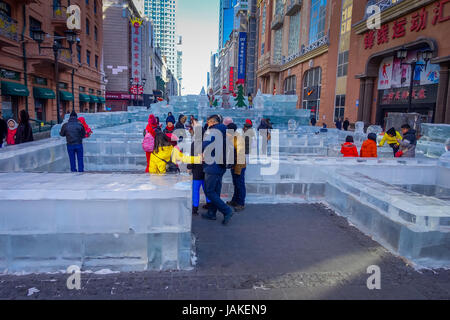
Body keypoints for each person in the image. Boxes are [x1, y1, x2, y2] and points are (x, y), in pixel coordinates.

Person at [201, 114, 234, 225]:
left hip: (212, 166)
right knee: (215, 191)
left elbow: (203, 145)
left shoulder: (212, 132)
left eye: (208, 122)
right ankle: (212, 213)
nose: (207, 124)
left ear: (213, 122)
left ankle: (227, 210)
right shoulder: (224, 131)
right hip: (220, 165)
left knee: (209, 191)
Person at [187, 120, 210, 215]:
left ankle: (195, 208)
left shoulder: (194, 144)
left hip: (197, 169)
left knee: (195, 189)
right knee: (207, 188)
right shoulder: (208, 143)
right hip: (207, 168)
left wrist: (189, 167)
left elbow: (192, 157)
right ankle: (209, 204)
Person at [226, 123, 246, 212]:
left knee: (240, 185)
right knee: (236, 184)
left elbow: (240, 155)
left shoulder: (239, 139)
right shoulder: (232, 137)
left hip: (239, 165)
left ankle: (241, 203)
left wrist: (237, 169)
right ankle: (234, 201)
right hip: (234, 165)